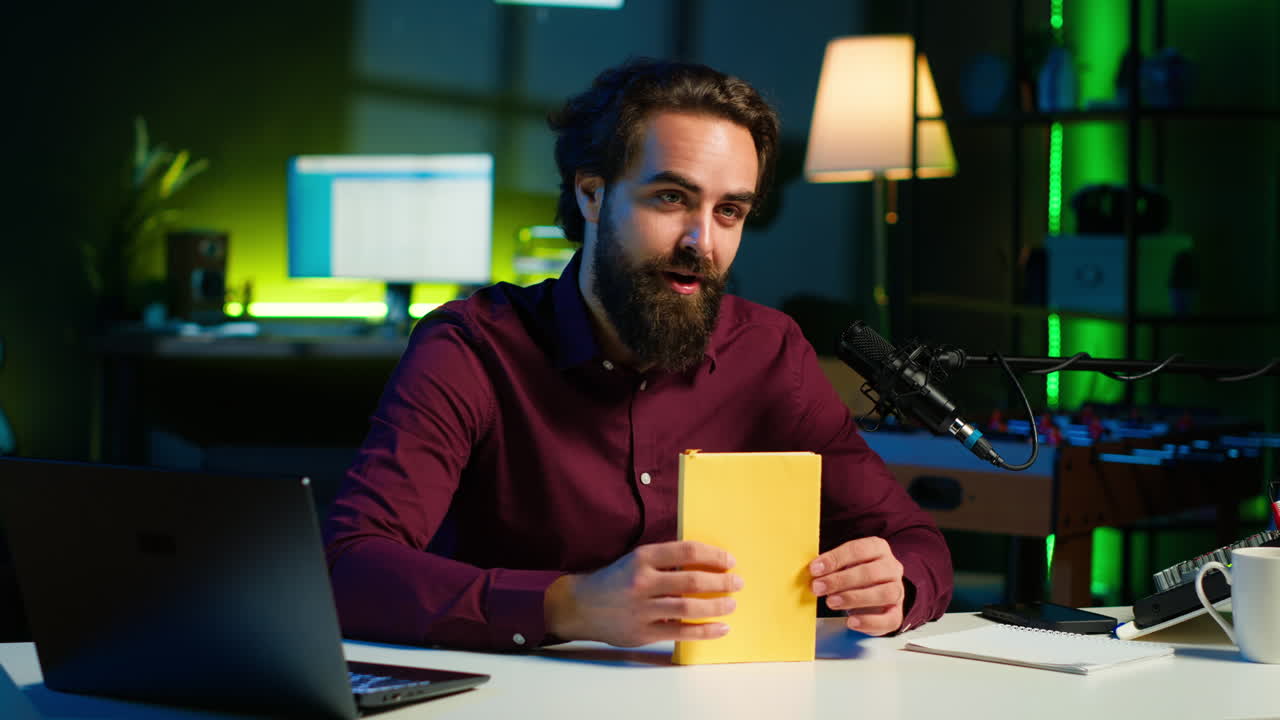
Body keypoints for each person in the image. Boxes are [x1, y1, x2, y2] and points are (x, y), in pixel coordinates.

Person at [323, 58, 953, 652]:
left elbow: (917, 544)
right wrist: (566, 604)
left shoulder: (771, 351)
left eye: (728, 211)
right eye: (671, 198)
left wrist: (895, 584)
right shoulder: (472, 346)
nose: (700, 242)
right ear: (593, 195)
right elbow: (346, 565)